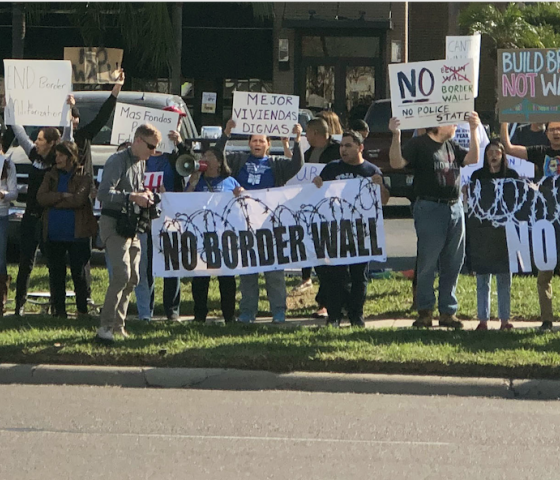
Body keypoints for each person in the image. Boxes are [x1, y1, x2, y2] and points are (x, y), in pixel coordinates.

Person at [389, 112, 481, 329]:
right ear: (439, 125)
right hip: (430, 207)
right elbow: (396, 163)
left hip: (454, 207)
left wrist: (475, 129)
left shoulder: (451, 145)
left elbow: (473, 159)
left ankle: (448, 312)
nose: (456, 125)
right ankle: (425, 311)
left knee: (453, 262)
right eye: (453, 122)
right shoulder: (419, 144)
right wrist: (395, 135)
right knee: (428, 262)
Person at [216, 119, 303, 323]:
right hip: (244, 224)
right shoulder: (238, 161)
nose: (257, 144)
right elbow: (218, 159)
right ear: (249, 143)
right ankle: (247, 312)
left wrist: (297, 140)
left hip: (269, 224)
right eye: (254, 140)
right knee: (247, 272)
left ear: (268, 144)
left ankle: (278, 311)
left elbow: (296, 166)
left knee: (273, 271)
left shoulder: (276, 164)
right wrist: (226, 134)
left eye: (261, 141)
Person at [312, 130, 390, 327]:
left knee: (359, 276)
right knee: (335, 277)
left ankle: (356, 315)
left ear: (360, 148)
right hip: (335, 232)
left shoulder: (371, 171)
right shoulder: (331, 169)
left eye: (348, 146)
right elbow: (316, 198)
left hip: (361, 233)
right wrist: (317, 185)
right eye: (341, 146)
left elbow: (383, 201)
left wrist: (380, 186)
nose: (343, 150)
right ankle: (335, 315)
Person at [95, 124, 162, 342]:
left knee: (134, 277)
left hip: (132, 225)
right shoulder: (117, 161)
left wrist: (145, 195)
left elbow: (136, 188)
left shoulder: (141, 162)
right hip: (114, 222)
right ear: (138, 141)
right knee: (121, 274)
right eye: (151, 147)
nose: (153, 152)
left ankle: (118, 325)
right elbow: (104, 193)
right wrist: (132, 197)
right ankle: (104, 327)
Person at [66, 70, 125, 306]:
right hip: (59, 205)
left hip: (82, 203)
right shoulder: (52, 143)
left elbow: (102, 116)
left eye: (74, 116)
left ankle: (85, 296)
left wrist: (116, 88)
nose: (72, 119)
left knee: (82, 252)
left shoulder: (83, 137)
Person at [500, 121, 560, 330]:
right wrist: (504, 122)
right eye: (552, 129)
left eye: (559, 128)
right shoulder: (540, 152)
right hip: (547, 223)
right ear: (547, 133)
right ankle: (547, 319)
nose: (556, 132)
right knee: (545, 274)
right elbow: (508, 148)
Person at [8, 124, 70, 316]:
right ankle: (19, 305)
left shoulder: (58, 160)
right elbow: (20, 134)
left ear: (52, 143)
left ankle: (58, 307)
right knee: (25, 262)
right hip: (30, 217)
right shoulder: (34, 155)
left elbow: (68, 139)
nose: (36, 142)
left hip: (48, 219)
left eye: (41, 139)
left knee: (54, 262)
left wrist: (68, 114)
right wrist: (11, 110)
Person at [134, 108, 190, 321]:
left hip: (169, 216)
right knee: (146, 263)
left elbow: (188, 164)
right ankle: (146, 310)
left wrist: (179, 143)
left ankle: (172, 311)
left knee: (171, 263)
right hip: (144, 216)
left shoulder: (174, 156)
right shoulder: (142, 157)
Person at [36, 141, 97, 319]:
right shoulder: (50, 175)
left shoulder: (83, 176)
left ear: (71, 157)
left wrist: (53, 200)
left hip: (77, 234)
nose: (57, 158)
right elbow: (41, 197)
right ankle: (59, 310)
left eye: (61, 155)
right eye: (56, 155)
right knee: (56, 273)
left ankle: (82, 310)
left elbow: (79, 200)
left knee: (79, 273)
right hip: (54, 233)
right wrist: (62, 195)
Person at [186, 147, 241, 324]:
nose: (205, 159)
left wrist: (240, 194)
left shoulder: (230, 181)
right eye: (203, 156)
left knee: (226, 279)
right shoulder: (196, 181)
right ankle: (199, 315)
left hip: (224, 237)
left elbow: (245, 202)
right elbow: (184, 203)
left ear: (218, 162)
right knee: (200, 278)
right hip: (201, 237)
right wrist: (192, 183)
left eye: (209, 156)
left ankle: (229, 315)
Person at [294, 117, 342, 317]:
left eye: (307, 133)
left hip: (334, 212)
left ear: (315, 133)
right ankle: (324, 304)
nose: (305, 136)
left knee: (335, 261)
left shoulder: (337, 152)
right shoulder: (307, 154)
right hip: (312, 212)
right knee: (320, 259)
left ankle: (338, 303)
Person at [470, 140, 518, 331]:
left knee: (504, 278)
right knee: (483, 277)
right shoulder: (478, 176)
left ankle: (505, 320)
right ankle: (483, 319)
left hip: (504, 233)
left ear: (503, 154)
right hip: (482, 233)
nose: (493, 155)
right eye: (490, 151)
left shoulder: (512, 176)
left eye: (497, 151)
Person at [0, 141, 17, 315]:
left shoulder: (7, 163)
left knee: (0, 258)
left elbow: (14, 192)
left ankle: (1, 302)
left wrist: (3, 194)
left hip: (1, 214)